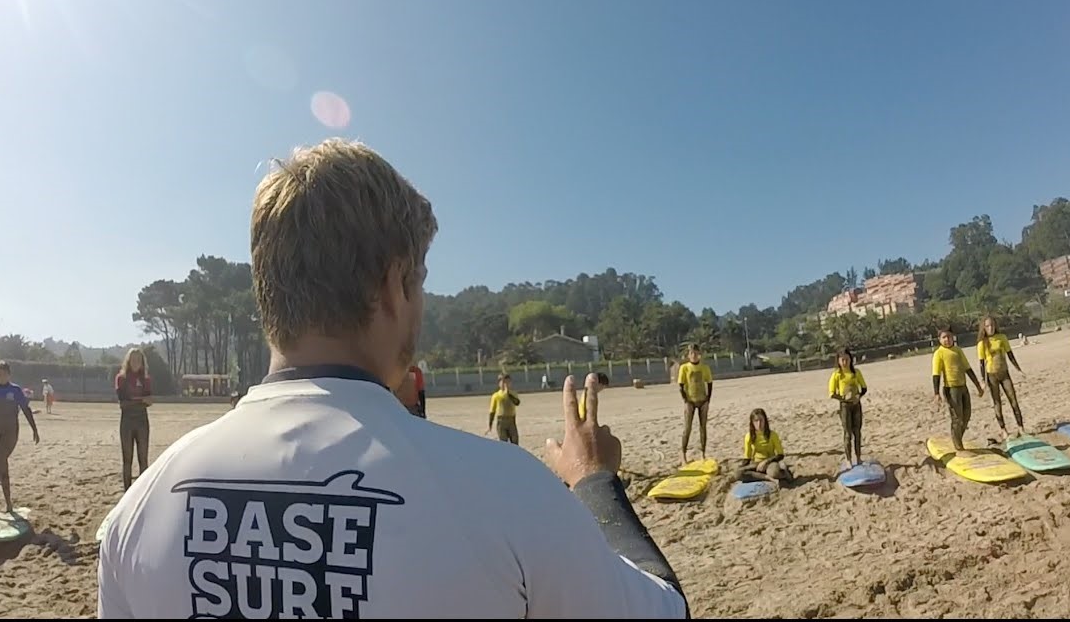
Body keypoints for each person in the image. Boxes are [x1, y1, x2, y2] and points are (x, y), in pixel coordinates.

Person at [96, 138, 689, 618]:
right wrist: (594, 485)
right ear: (393, 285)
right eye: (420, 282)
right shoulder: (509, 496)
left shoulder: (138, 513)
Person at [0, 360, 40, 512]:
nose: (0, 376)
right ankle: (9, 504)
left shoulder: (15, 391)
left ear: (9, 375)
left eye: (3, 374)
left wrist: (34, 429)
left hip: (10, 432)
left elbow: (26, 410)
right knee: (3, 466)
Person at [931, 328, 984, 451]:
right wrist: (936, 393)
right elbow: (936, 374)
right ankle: (958, 445)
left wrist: (977, 386)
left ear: (953, 337)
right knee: (957, 417)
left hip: (963, 387)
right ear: (939, 340)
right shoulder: (939, 353)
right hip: (951, 389)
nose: (947, 340)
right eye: (944, 337)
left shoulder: (958, 350)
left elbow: (967, 368)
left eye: (949, 337)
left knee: (967, 415)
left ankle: (958, 438)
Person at [975, 316, 1026, 439]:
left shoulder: (1002, 338)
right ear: (984, 328)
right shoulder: (982, 343)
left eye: (992, 325)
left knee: (1013, 399)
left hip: (1004, 373)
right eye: (987, 326)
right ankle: (1003, 429)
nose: (990, 328)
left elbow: (1010, 354)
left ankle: (1020, 427)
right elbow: (981, 363)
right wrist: (983, 380)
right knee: (997, 402)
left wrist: (1018, 369)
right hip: (992, 375)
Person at [115, 348, 153, 490]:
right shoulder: (121, 378)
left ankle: (143, 491)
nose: (136, 362)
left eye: (138, 359)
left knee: (143, 459)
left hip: (142, 421)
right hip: (127, 421)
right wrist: (141, 400)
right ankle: (127, 491)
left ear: (142, 362)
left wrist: (137, 400)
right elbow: (122, 403)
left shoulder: (146, 379)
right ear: (128, 361)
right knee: (127, 460)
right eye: (133, 359)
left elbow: (150, 400)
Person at [828, 348, 867, 467]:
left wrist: (858, 396)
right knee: (847, 433)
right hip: (845, 406)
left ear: (850, 359)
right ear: (838, 361)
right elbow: (831, 393)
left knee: (857, 432)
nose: (845, 362)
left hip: (856, 405)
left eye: (847, 359)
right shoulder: (836, 375)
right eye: (842, 360)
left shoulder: (856, 373)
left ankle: (859, 457)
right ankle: (848, 459)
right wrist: (843, 398)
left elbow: (864, 388)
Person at [677, 344, 713, 463]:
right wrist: (685, 401)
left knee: (703, 427)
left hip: (702, 400)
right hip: (690, 401)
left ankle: (703, 453)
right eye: (692, 353)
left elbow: (709, 383)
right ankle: (683, 454)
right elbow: (681, 385)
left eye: (696, 353)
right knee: (687, 428)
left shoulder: (705, 368)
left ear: (699, 355)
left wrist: (708, 400)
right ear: (689, 355)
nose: (694, 356)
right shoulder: (684, 368)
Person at [735, 408, 790, 483]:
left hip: (770, 463)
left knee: (774, 473)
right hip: (756, 464)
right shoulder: (749, 436)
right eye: (756, 421)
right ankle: (766, 477)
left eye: (761, 420)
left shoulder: (773, 435)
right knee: (737, 473)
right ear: (752, 423)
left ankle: (784, 472)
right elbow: (747, 458)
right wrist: (742, 469)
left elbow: (780, 455)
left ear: (765, 421)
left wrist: (765, 462)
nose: (759, 424)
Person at [487, 374, 521, 444]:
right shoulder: (496, 395)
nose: (506, 384)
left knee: (514, 440)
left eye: (508, 382)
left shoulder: (513, 393)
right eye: (504, 382)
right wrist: (490, 424)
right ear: (499, 383)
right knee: (503, 441)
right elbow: (492, 411)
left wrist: (508, 394)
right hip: (501, 421)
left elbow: (517, 402)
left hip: (511, 420)